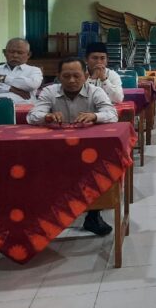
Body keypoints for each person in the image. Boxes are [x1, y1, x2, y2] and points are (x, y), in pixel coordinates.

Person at [27, 57, 118, 236]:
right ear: (58, 76)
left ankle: (93, 215)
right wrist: (46, 117)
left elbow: (112, 114)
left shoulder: (95, 91)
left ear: (86, 76)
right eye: (66, 76)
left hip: (88, 149)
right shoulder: (49, 91)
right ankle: (45, 215)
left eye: (76, 76)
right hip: (56, 149)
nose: (71, 80)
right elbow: (32, 115)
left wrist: (94, 116)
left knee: (100, 167)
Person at [0, 38, 43, 105]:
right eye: (11, 52)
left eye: (20, 53)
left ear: (28, 55)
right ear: (4, 53)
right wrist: (11, 89)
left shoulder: (34, 70)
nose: (15, 55)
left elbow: (32, 85)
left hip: (23, 109)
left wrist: (5, 78)